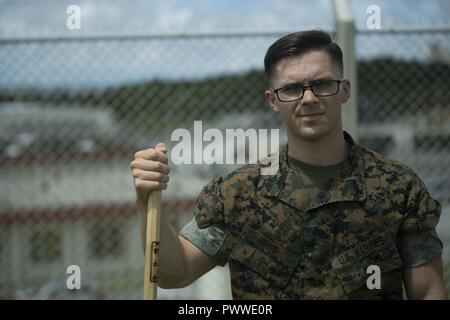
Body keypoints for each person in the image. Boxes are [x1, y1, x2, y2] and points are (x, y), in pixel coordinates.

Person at [130, 30, 447, 299]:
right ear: (273, 100)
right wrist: (146, 200)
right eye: (293, 89)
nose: (309, 99)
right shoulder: (238, 194)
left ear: (344, 90)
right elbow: (175, 273)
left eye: (322, 84)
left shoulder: (398, 188)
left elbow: (428, 291)